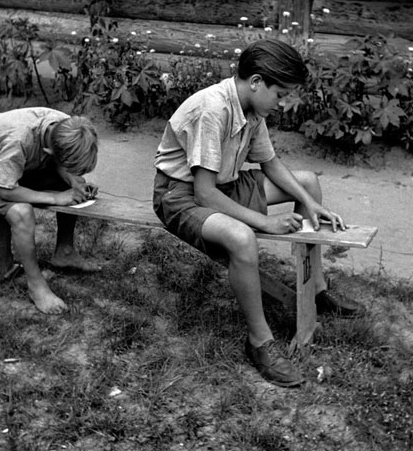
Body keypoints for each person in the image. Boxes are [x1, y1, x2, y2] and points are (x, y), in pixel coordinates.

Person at [152, 39, 363, 387]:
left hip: (226, 186)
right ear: (256, 81)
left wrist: (311, 203)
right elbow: (204, 194)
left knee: (307, 183)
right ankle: (260, 342)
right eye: (280, 94)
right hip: (180, 196)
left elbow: (270, 163)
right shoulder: (214, 110)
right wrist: (265, 221)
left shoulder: (252, 108)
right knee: (241, 237)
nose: (282, 104)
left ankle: (316, 292)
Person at [0, 108, 100, 315]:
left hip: (16, 164)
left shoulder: (68, 126)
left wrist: (74, 181)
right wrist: (56, 198)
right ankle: (36, 285)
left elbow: (59, 162)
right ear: (49, 151)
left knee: (71, 187)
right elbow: (4, 190)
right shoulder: (18, 140)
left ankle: (64, 252)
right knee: (21, 212)